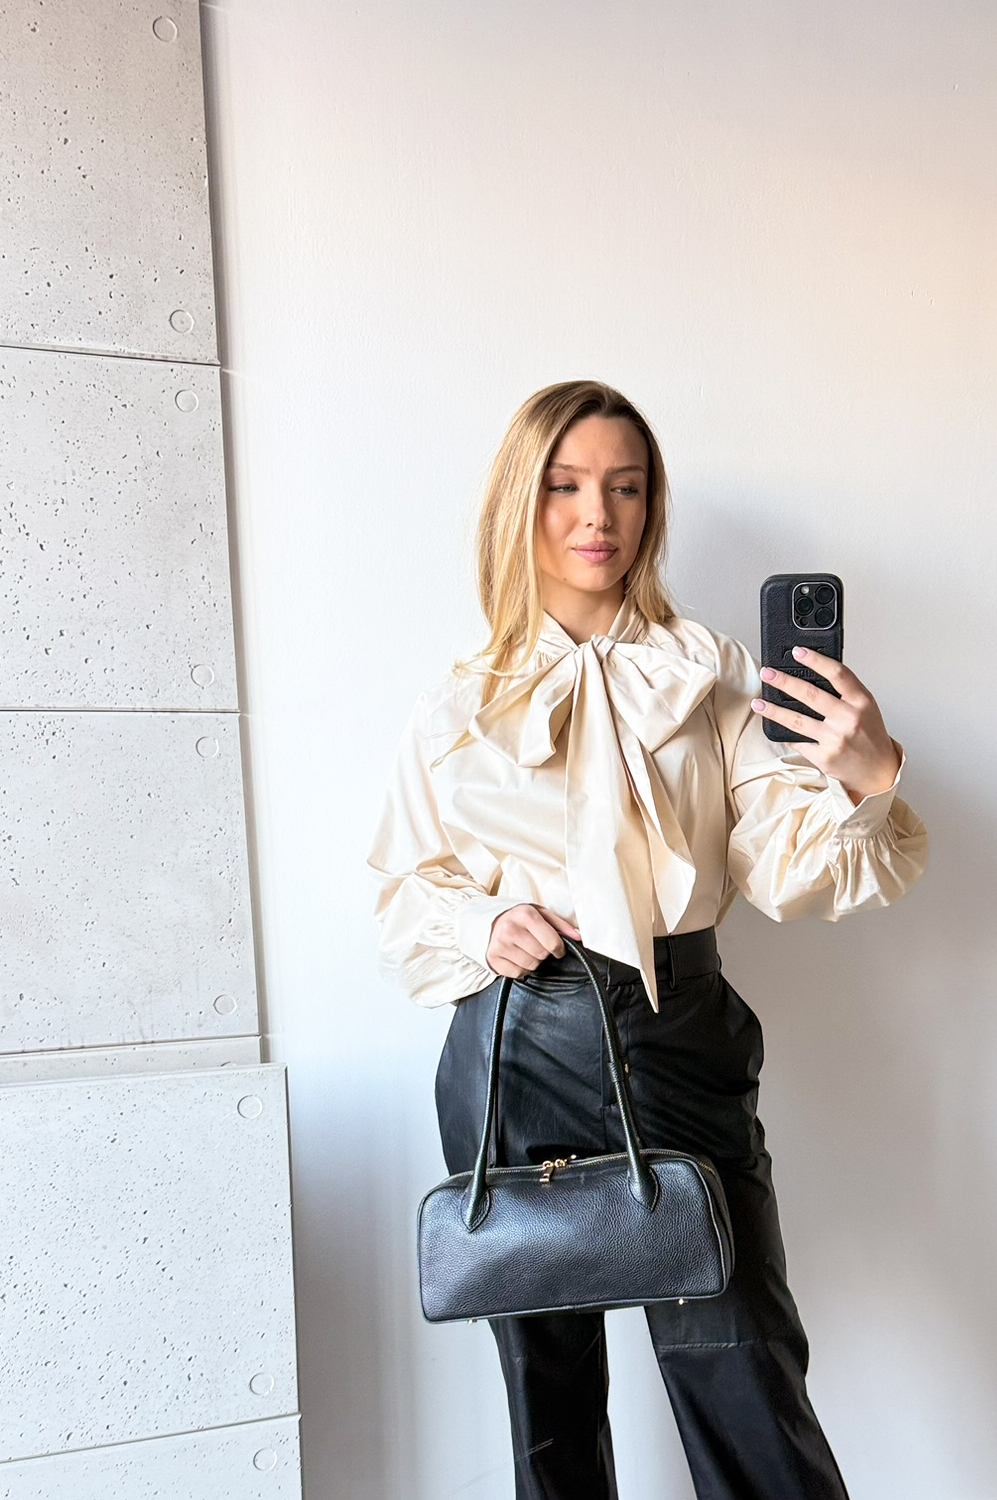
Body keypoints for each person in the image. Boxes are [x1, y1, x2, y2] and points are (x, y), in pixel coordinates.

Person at [366, 379, 927, 1500]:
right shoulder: (458, 701)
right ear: (519, 502)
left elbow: (783, 867)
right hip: (512, 1053)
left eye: (625, 488)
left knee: (744, 1370)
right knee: (547, 1405)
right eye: (566, 486)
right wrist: (484, 920)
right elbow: (403, 886)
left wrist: (865, 783)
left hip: (677, 1035)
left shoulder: (709, 677)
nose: (598, 516)